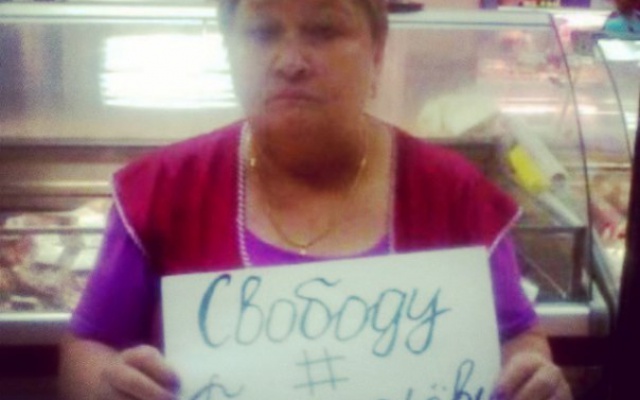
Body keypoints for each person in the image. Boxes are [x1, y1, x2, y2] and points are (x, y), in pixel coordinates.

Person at [59, 0, 572, 399]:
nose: (291, 62)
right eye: (262, 32)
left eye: (325, 30)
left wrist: (533, 379)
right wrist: (105, 384)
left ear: (377, 48)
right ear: (229, 46)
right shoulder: (161, 192)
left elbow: (518, 335)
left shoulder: (454, 195)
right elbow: (88, 345)